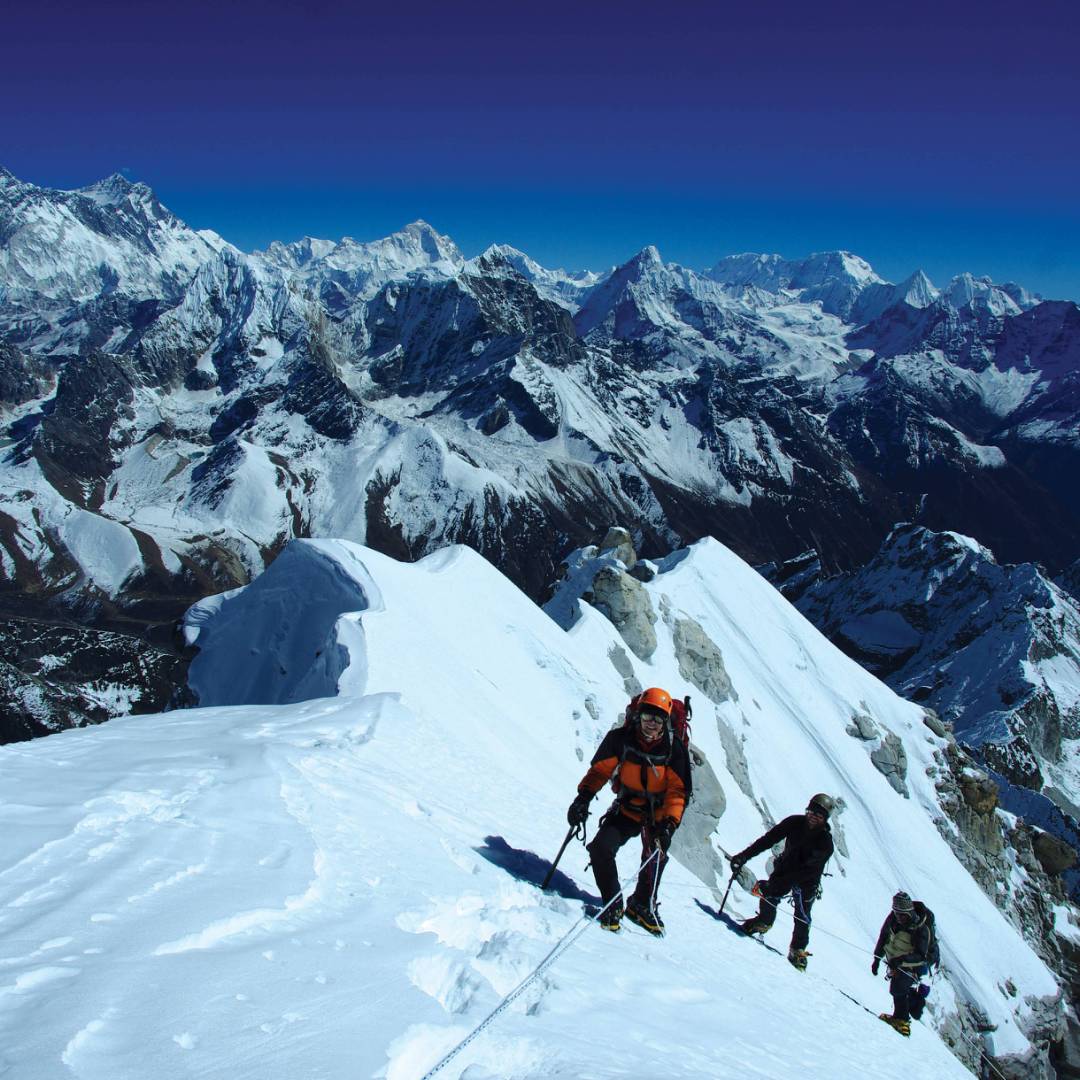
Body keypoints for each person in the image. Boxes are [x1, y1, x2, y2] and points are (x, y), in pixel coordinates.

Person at [567, 687, 690, 935]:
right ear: (638, 716)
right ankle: (613, 904)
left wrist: (669, 825)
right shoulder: (620, 739)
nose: (651, 724)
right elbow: (600, 771)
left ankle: (642, 904)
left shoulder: (673, 749)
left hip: (659, 813)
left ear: (666, 722)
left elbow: (678, 792)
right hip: (629, 805)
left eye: (657, 719)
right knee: (601, 848)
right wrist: (583, 798)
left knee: (655, 858)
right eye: (647, 717)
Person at [727, 794, 836, 970]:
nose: (813, 816)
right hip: (786, 867)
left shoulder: (825, 843)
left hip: (806, 880)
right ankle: (764, 921)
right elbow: (768, 839)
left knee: (802, 914)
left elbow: (806, 871)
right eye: (811, 811)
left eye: (819, 815)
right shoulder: (794, 823)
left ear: (825, 819)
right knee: (770, 894)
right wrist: (743, 856)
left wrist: (775, 885)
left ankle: (798, 948)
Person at [872, 891, 935, 1037]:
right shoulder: (893, 919)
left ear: (909, 912)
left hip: (913, 965)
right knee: (897, 988)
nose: (899, 917)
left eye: (902, 914)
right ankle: (904, 1012)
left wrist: (901, 961)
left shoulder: (921, 928)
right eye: (897, 913)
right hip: (896, 961)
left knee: (898, 988)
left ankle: (903, 1020)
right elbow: (884, 937)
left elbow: (921, 955)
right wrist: (877, 958)